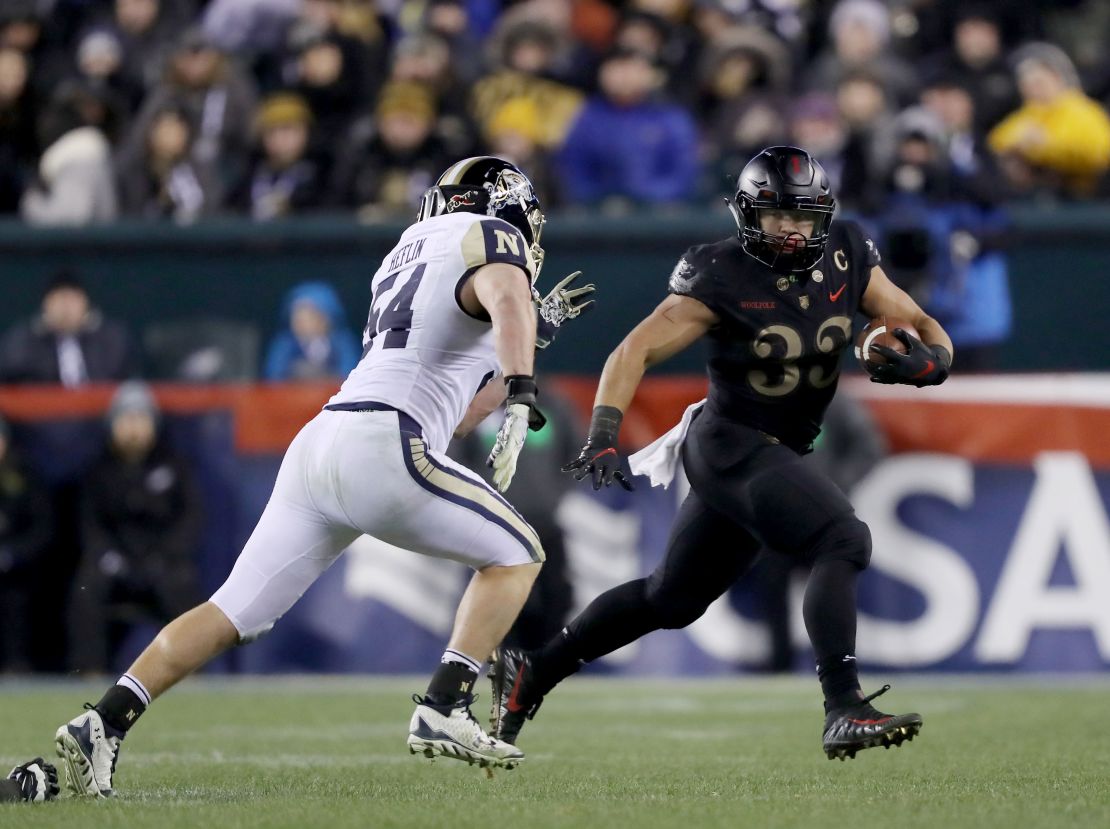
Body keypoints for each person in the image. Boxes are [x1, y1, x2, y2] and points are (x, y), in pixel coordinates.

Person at [52, 157, 592, 797]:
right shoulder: (491, 236)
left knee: (233, 608)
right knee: (519, 553)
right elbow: (504, 295)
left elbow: (460, 402)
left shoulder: (403, 254)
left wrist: (523, 351)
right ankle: (445, 703)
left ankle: (104, 721)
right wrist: (526, 390)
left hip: (325, 441)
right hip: (382, 440)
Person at [489, 146, 953, 762]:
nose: (791, 231)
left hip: (778, 446)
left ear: (823, 216)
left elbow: (922, 322)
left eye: (802, 217)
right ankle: (844, 705)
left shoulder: (848, 250)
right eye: (776, 217)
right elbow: (633, 351)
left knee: (671, 599)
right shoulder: (719, 272)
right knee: (843, 539)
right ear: (747, 217)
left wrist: (934, 363)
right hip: (728, 442)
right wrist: (603, 431)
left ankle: (533, 672)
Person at [68, 382, 204, 674]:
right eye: (125, 419)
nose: (133, 428)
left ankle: (192, 675)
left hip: (163, 561)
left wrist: (164, 555)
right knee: (86, 589)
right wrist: (109, 557)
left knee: (183, 588)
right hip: (114, 562)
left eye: (140, 419)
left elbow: (190, 519)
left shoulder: (174, 466)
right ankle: (89, 672)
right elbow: (90, 525)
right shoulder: (98, 471)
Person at [262, 281, 360, 381]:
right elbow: (274, 377)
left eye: (309, 316)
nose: (300, 322)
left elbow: (350, 373)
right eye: (297, 317)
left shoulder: (342, 342)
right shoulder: (285, 344)